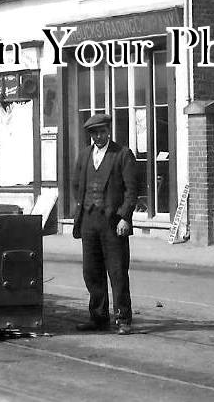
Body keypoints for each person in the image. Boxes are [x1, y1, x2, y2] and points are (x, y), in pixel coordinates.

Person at [71, 113, 138, 335]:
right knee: (91, 271)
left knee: (117, 271)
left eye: (102, 132)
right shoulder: (84, 156)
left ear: (108, 131)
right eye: (94, 133)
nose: (98, 137)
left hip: (112, 222)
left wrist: (125, 217)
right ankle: (98, 317)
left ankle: (123, 318)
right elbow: (76, 184)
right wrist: (83, 208)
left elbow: (131, 190)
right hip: (89, 220)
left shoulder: (122, 154)